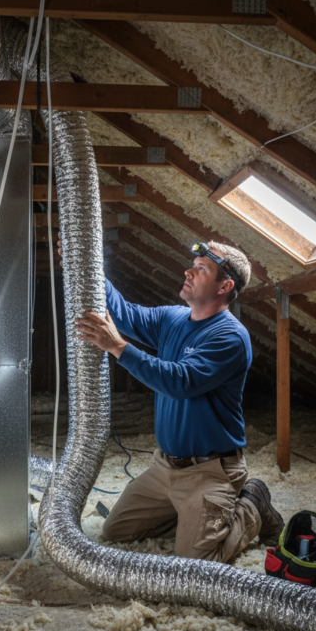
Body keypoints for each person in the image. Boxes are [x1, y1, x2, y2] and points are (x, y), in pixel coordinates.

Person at [75, 240, 284, 563]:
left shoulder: (230, 337)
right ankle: (192, 515)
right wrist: (87, 263)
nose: (189, 271)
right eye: (193, 264)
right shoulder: (173, 319)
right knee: (116, 530)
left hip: (210, 470)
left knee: (198, 563)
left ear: (225, 286)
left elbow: (180, 382)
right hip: (165, 467)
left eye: (201, 269)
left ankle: (252, 505)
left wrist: (118, 348)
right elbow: (124, 313)